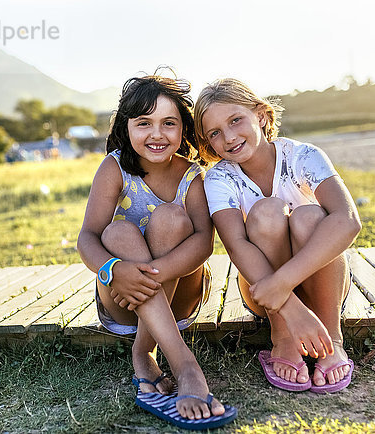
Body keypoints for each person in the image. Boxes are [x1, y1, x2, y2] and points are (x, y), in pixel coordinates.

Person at [77, 74, 236, 429]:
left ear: (184, 129)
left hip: (181, 296)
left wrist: (158, 272)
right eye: (143, 123)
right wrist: (112, 270)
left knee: (170, 219)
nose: (156, 134)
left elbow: (202, 243)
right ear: (126, 127)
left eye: (169, 123)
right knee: (116, 233)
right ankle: (179, 362)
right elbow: (86, 237)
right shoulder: (114, 167)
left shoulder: (192, 176)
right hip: (124, 300)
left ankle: (151, 355)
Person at [194, 78, 362, 394]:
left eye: (235, 120)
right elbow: (236, 245)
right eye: (214, 133)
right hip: (263, 292)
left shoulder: (303, 156)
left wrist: (283, 284)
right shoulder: (218, 178)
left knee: (310, 215)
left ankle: (332, 337)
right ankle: (282, 338)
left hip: (321, 285)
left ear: (260, 115)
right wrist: (288, 306)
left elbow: (348, 220)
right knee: (267, 212)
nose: (228, 137)